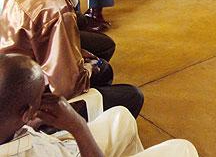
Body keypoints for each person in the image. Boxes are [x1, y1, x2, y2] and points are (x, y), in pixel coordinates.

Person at [0, 0, 143, 118]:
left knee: (103, 63)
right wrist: (87, 70)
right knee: (132, 95)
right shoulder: (58, 10)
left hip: (12, 73)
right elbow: (64, 86)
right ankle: (81, 126)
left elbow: (42, 45)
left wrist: (79, 57)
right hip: (27, 97)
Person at [0, 54, 199, 157]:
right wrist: (77, 126)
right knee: (182, 149)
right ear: (25, 112)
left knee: (121, 117)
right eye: (40, 96)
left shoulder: (10, 124)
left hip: (57, 146)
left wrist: (30, 124)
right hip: (68, 149)